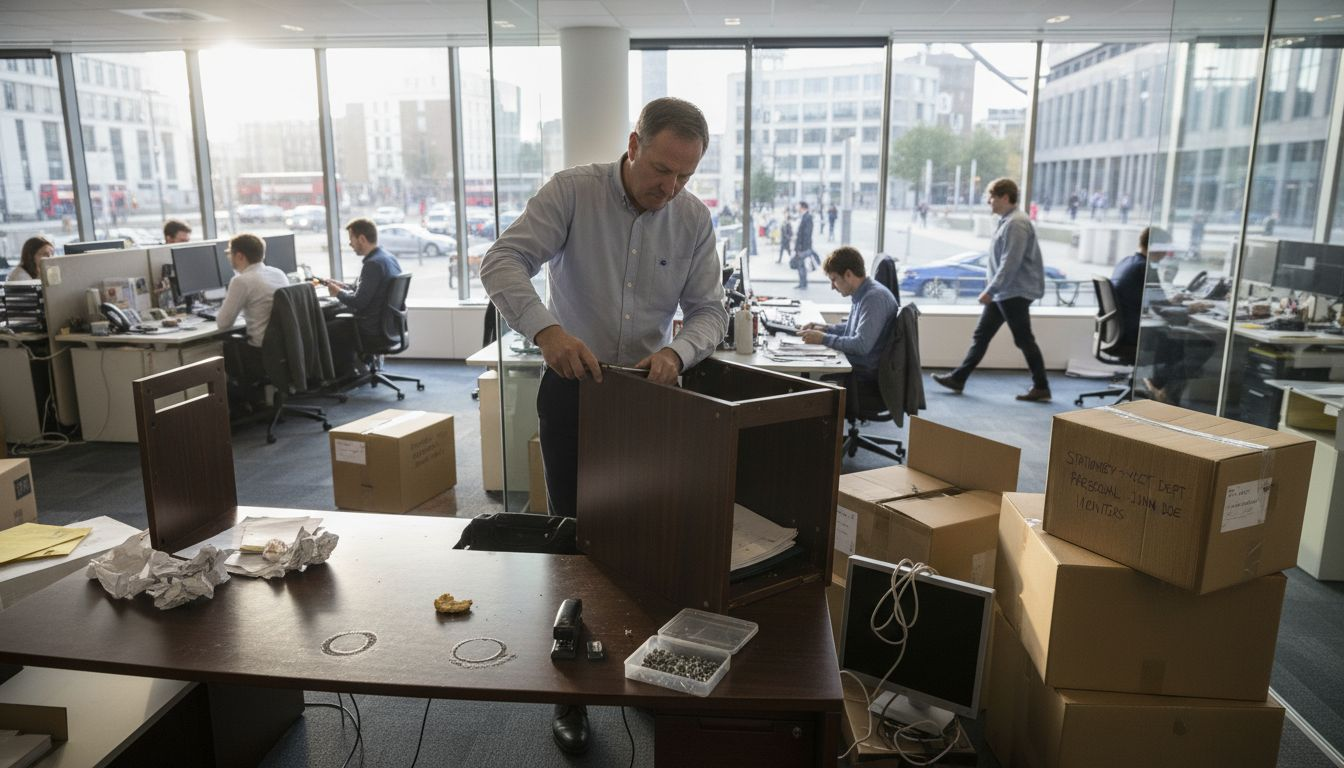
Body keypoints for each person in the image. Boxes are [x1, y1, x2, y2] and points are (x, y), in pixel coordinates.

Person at [480, 97, 726, 758]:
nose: (668, 186)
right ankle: (574, 694)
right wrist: (547, 330)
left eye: (684, 176)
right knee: (575, 544)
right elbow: (501, 263)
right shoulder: (573, 192)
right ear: (632, 143)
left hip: (648, 395)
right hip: (573, 388)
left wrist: (678, 352)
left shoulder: (692, 220)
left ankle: (646, 678)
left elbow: (711, 313)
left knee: (651, 541)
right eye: (660, 168)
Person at [932, 178, 1051, 401]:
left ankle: (1041, 386)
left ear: (1005, 197)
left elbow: (1010, 263)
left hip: (1014, 291)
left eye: (992, 197)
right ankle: (959, 378)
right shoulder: (1008, 221)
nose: (989, 201)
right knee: (982, 335)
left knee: (1023, 339)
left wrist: (991, 289)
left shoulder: (1016, 223)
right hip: (1005, 291)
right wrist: (994, 290)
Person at [1113, 226, 1215, 405]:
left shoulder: (1128, 262)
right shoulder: (1145, 269)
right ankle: (1160, 384)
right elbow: (1162, 310)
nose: (1167, 252)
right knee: (1204, 345)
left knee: (1185, 344)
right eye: (1166, 246)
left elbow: (1153, 302)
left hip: (1123, 331)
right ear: (1156, 246)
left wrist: (1172, 301)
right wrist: (1192, 308)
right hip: (1137, 335)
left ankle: (1159, 383)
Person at [325, 218, 403, 375]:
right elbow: (372, 291)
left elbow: (359, 302)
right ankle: (356, 369)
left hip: (372, 330)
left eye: (351, 239)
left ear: (361, 238)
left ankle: (345, 374)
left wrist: (337, 293)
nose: (350, 244)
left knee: (327, 328)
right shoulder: (387, 258)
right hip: (389, 326)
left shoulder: (372, 264)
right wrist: (344, 287)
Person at [799, 247, 898, 371]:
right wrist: (826, 329)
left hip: (862, 372)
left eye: (834, 280)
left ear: (848, 274)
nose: (832, 287)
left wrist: (823, 338)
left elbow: (861, 345)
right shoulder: (863, 292)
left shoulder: (873, 298)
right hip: (856, 364)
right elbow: (855, 329)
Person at [216, 234, 289, 398]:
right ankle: (256, 401)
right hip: (286, 348)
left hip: (260, 354)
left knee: (224, 347)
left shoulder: (241, 281)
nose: (229, 258)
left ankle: (239, 404)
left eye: (230, 253)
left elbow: (223, 323)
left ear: (239, 255)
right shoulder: (278, 273)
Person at [792, 201, 815, 288]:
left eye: (798, 206)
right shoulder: (804, 217)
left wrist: (801, 247)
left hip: (803, 247)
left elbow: (807, 234)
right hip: (802, 246)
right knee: (801, 265)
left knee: (801, 265)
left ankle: (803, 284)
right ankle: (802, 283)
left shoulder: (808, 217)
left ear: (802, 207)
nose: (797, 208)